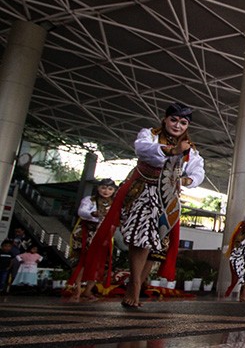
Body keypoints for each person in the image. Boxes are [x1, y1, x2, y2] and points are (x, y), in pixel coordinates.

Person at [81, 102, 205, 308]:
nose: (177, 126)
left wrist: (186, 180)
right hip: (143, 190)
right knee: (142, 235)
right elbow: (142, 149)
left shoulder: (190, 149)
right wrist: (172, 150)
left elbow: (198, 171)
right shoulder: (150, 135)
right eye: (174, 120)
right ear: (165, 119)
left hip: (167, 195)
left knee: (158, 243)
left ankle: (138, 280)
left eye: (183, 123)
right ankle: (135, 283)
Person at [68, 178, 118, 302]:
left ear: (114, 190)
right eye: (103, 188)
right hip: (85, 233)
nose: (106, 191)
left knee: (99, 263)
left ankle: (88, 290)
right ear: (98, 188)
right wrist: (93, 214)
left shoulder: (115, 204)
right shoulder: (89, 200)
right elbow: (82, 212)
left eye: (110, 189)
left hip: (103, 235)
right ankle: (77, 289)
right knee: (80, 260)